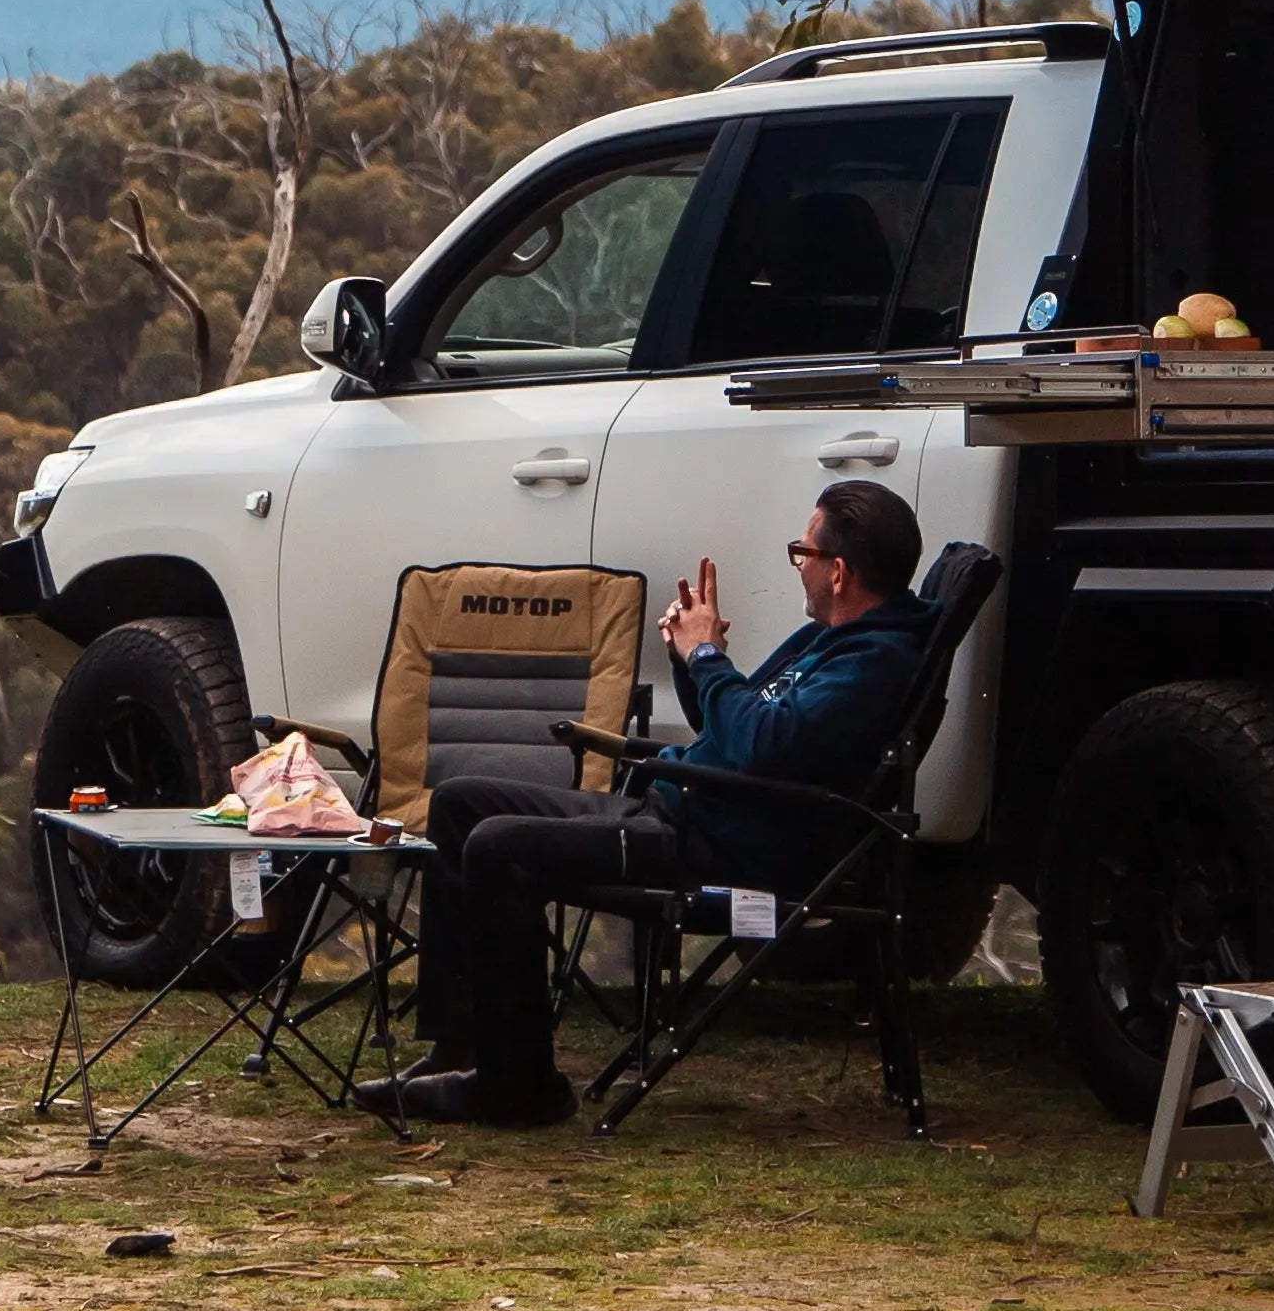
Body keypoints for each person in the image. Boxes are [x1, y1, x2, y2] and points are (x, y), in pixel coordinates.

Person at [356, 476, 934, 1128]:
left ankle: (517, 1085)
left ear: (837, 572)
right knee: (459, 804)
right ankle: (457, 1047)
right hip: (682, 810)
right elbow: (735, 732)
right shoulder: (830, 640)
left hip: (718, 848)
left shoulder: (875, 661)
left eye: (803, 554)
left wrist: (709, 655)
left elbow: (765, 747)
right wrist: (691, 662)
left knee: (498, 847)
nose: (797, 566)